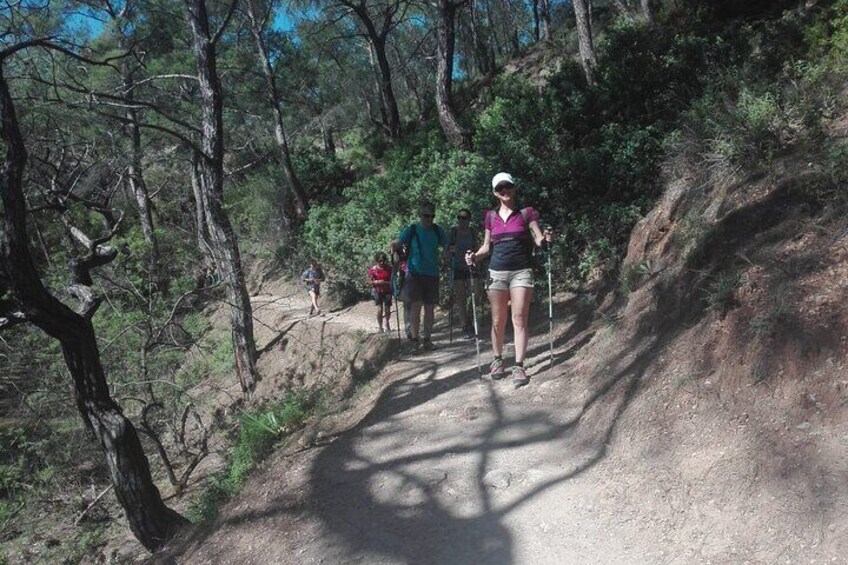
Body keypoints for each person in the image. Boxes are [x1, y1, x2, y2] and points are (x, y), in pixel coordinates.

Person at [465, 173, 554, 388]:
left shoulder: (527, 213)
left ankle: (519, 365)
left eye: (508, 186)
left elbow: (538, 238)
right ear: (495, 192)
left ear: (514, 188)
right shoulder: (490, 216)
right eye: (500, 188)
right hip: (496, 272)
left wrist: (547, 240)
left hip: (522, 271)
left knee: (519, 318)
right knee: (497, 320)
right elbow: (487, 246)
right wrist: (474, 256)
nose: (504, 191)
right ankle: (497, 360)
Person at [390, 201, 448, 351]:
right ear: (420, 215)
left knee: (429, 308)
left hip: (432, 273)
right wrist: (394, 245)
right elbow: (399, 240)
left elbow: (446, 245)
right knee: (416, 307)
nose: (429, 219)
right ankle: (415, 341)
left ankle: (427, 340)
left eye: (431, 216)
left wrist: (449, 256)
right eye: (426, 216)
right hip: (415, 274)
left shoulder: (437, 230)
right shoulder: (413, 229)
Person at [447, 208, 479, 339]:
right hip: (457, 267)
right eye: (459, 217)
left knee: (475, 293)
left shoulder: (472, 232)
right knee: (461, 298)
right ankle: (465, 325)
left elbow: (477, 247)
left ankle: (470, 318)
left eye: (464, 218)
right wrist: (449, 254)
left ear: (469, 219)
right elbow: (446, 248)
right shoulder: (453, 232)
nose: (461, 220)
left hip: (471, 266)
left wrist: (476, 257)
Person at [368, 252, 393, 333]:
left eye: (383, 261)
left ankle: (387, 323)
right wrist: (378, 282)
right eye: (380, 261)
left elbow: (392, 280)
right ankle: (380, 327)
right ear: (377, 261)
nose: (382, 263)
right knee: (380, 309)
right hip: (378, 291)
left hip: (387, 291)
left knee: (387, 309)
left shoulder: (389, 269)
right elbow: (371, 282)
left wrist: (386, 283)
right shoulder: (373, 270)